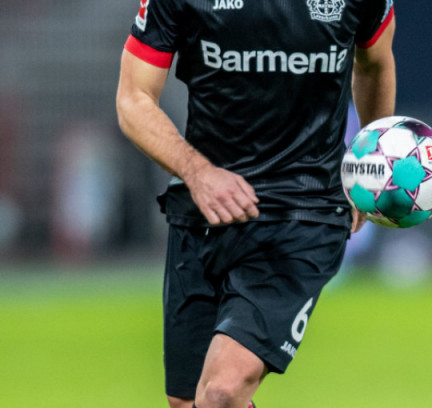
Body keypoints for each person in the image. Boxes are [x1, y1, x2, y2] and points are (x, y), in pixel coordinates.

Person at [116, 0, 396, 406]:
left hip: (304, 213)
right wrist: (198, 173)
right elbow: (134, 98)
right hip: (203, 213)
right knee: (188, 402)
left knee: (221, 392)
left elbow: (374, 64)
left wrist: (367, 166)